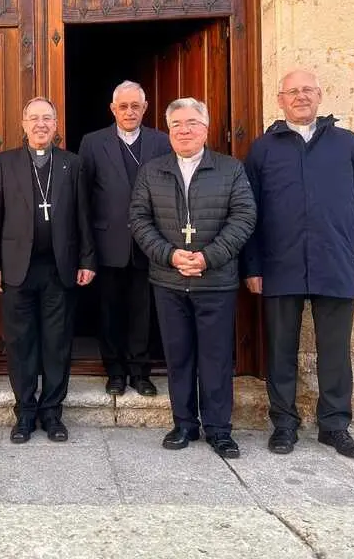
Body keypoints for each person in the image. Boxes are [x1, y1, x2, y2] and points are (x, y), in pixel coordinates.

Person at [242, 69, 354, 459]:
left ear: (319, 96)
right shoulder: (263, 148)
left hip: (335, 261)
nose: (300, 97)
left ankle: (335, 425)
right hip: (279, 264)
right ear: (280, 100)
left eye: (307, 90)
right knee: (281, 350)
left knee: (335, 351)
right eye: (292, 92)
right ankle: (284, 424)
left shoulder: (346, 144)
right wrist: (252, 267)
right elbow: (248, 213)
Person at [129, 97, 255, 459]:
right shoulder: (153, 171)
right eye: (177, 125)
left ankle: (219, 429)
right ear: (169, 132)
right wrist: (169, 255)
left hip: (215, 281)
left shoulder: (230, 170)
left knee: (215, 357)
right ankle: (184, 423)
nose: (184, 130)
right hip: (168, 280)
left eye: (192, 123)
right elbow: (139, 219)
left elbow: (244, 216)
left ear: (206, 128)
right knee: (178, 355)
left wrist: (207, 257)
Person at [0, 97, 96, 444]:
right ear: (23, 123)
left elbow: (83, 217)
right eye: (34, 118)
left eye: (47, 118)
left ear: (56, 125)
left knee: (57, 343)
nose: (41, 124)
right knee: (21, 343)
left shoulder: (72, 164)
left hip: (59, 269)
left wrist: (87, 260)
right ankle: (25, 414)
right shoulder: (5, 163)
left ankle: (52, 413)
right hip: (18, 269)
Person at [79, 80, 172, 397]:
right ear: (112, 109)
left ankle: (140, 372)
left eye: (136, 106)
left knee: (143, 312)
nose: (129, 112)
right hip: (109, 242)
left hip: (150, 243)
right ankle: (115, 371)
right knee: (110, 311)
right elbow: (84, 197)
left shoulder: (161, 142)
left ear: (145, 108)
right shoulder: (93, 143)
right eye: (123, 106)